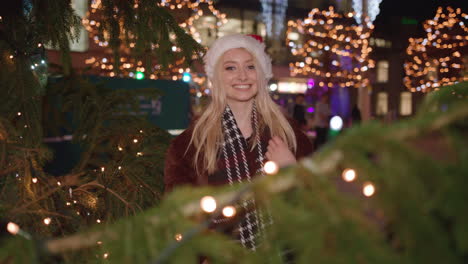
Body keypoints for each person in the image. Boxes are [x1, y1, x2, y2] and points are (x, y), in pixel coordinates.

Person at [164, 34, 313, 251]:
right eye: (230, 68)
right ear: (216, 77)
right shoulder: (189, 145)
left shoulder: (291, 136)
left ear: (262, 75)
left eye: (250, 67)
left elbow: (316, 209)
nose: (242, 76)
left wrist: (291, 173)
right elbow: (178, 217)